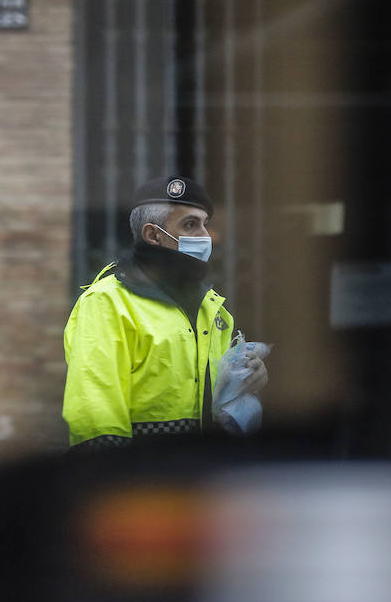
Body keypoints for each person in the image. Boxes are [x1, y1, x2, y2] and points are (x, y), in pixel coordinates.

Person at [63, 175, 265, 450]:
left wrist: (248, 380)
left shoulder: (212, 307)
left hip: (199, 473)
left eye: (206, 224)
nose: (206, 237)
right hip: (143, 478)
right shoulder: (107, 303)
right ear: (153, 235)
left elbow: (219, 404)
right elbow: (96, 417)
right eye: (191, 225)